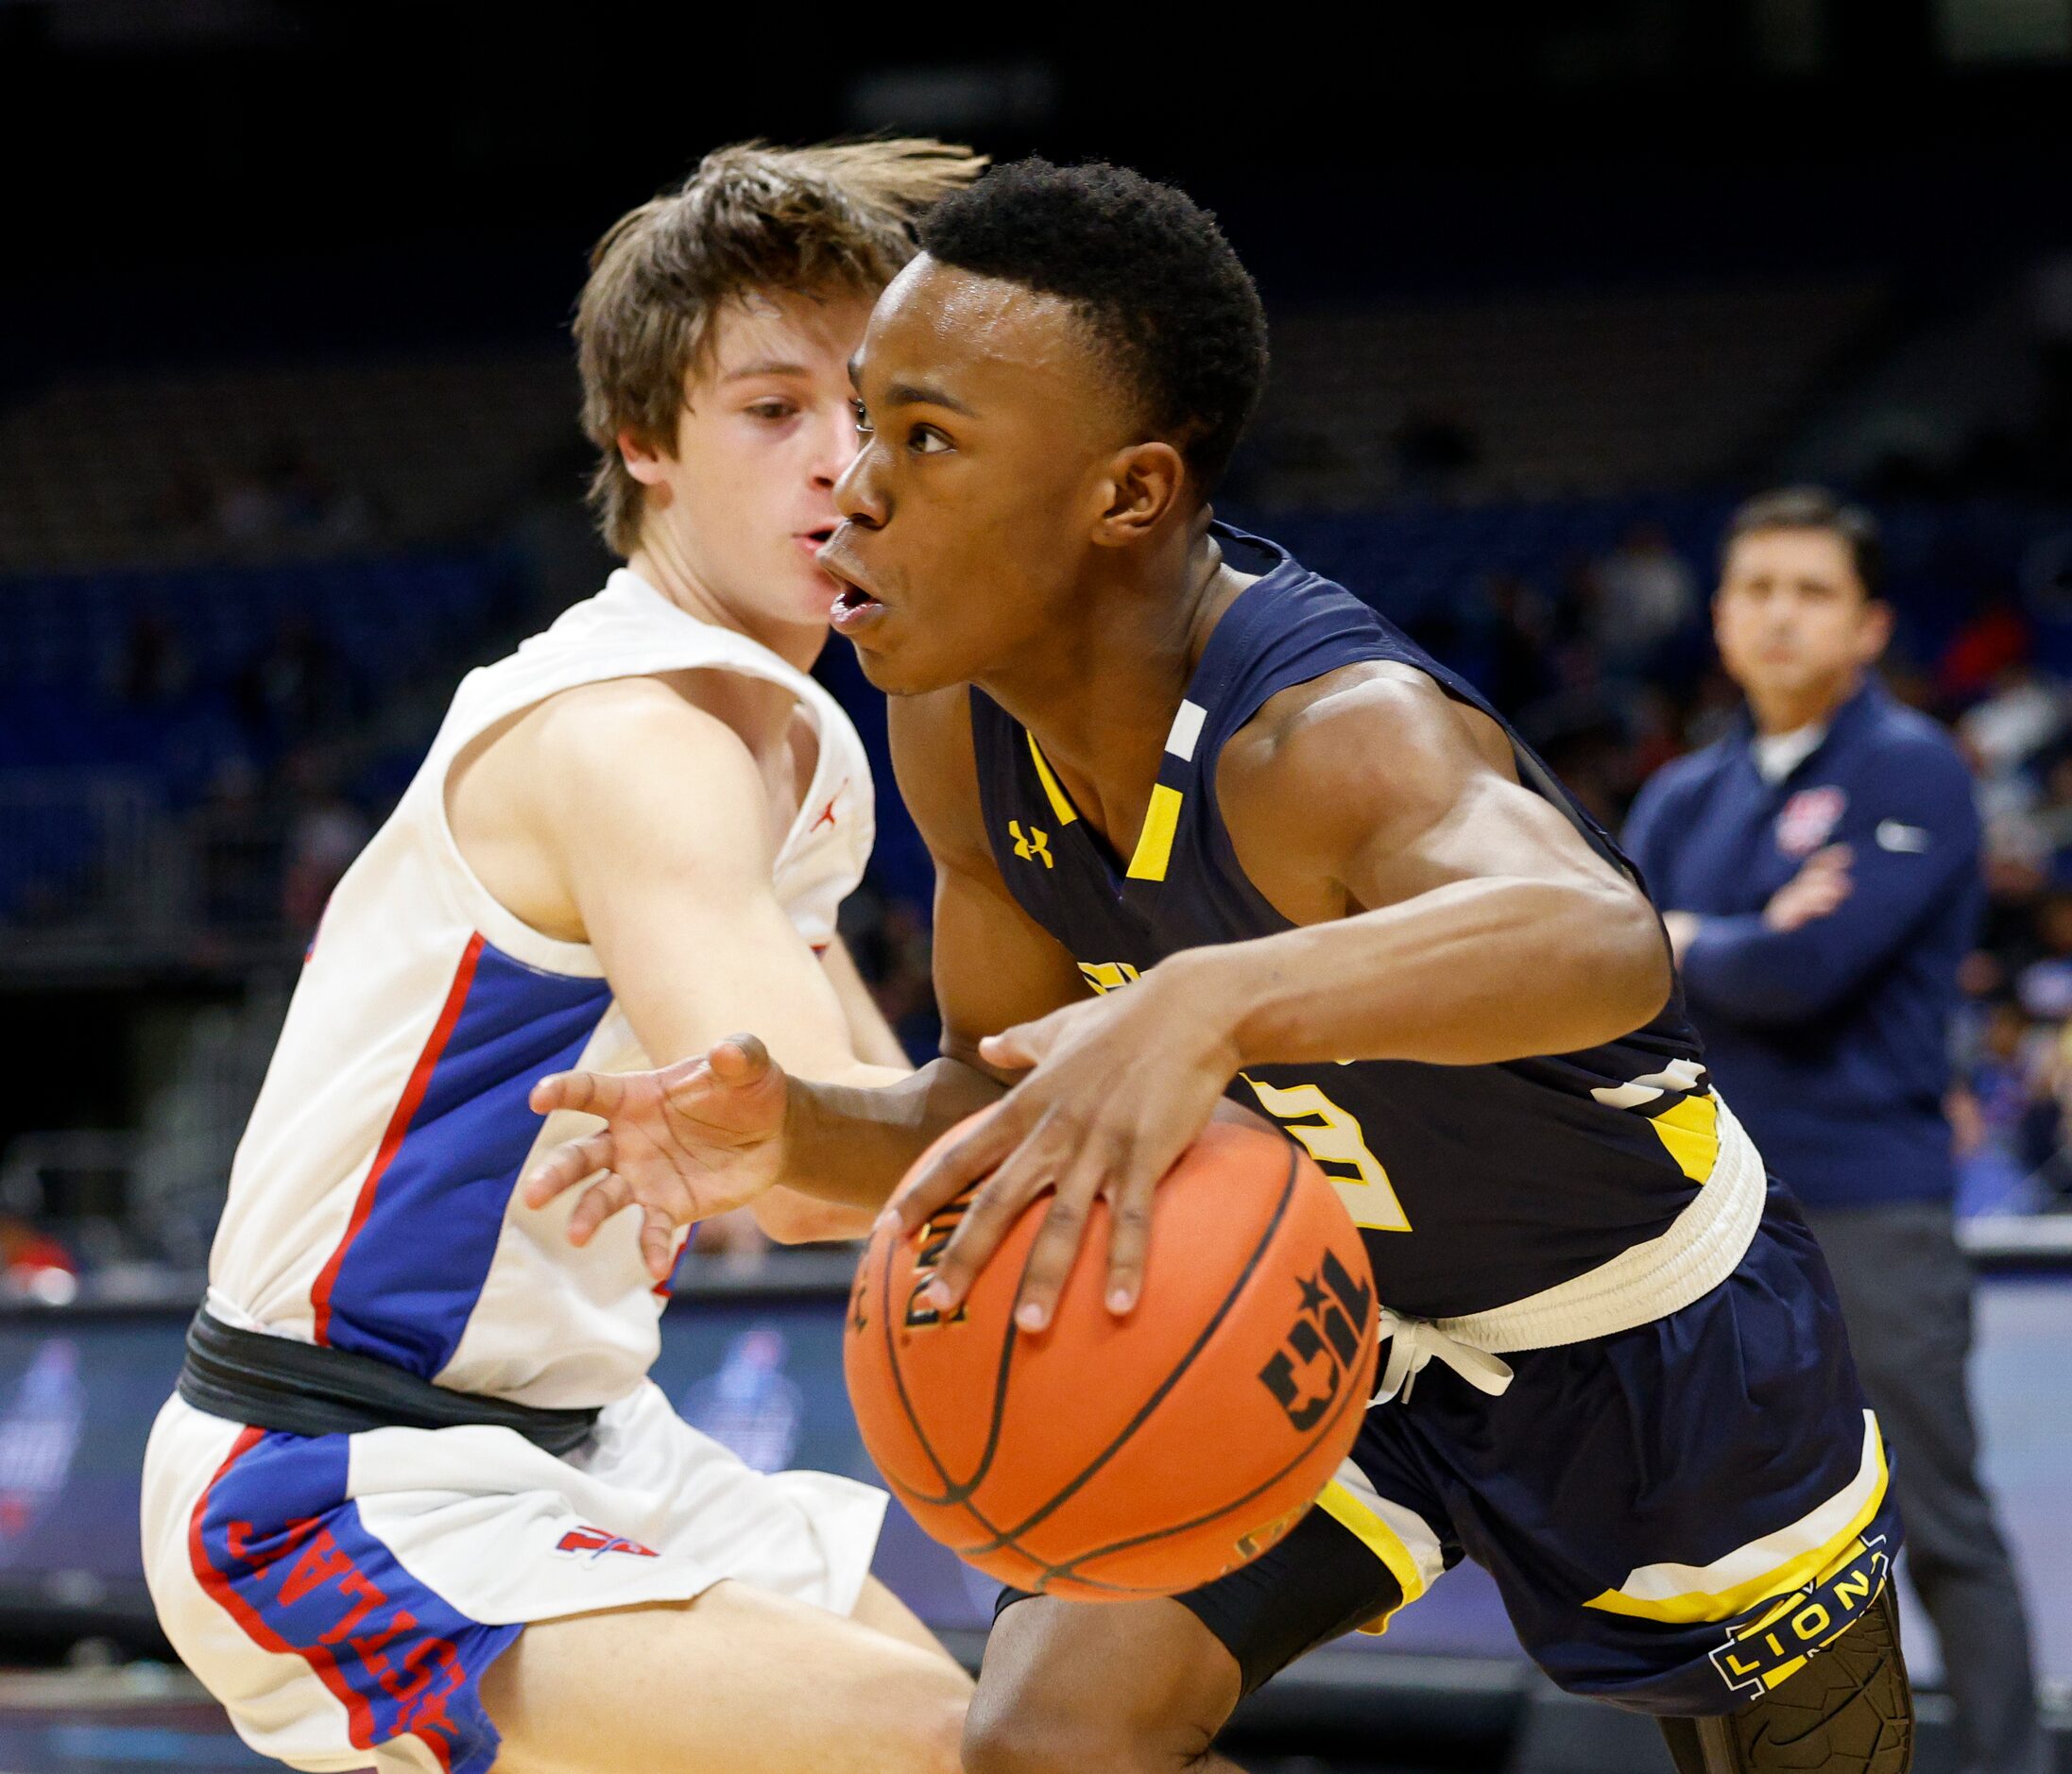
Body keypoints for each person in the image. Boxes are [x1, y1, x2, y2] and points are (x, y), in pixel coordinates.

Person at [527, 162, 1914, 1774]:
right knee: (1042, 1740)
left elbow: (1600, 942)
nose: (853, 491)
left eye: (927, 440)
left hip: (1653, 1341)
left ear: (1124, 496)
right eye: (858, 417)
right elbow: (1007, 1093)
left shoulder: (1331, 740)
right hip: (1316, 1313)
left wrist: (1220, 993)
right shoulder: (957, 724)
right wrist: (792, 1137)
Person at [137, 140, 985, 1774]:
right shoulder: (636, 735)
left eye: (873, 411)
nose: (841, 463)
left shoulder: (772, 735)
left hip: (593, 1440)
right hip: (340, 1469)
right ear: (645, 442)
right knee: (969, 1750)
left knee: (1069, 1736)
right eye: (772, 411)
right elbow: (817, 1170)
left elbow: (896, 1134)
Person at [1624, 487, 2046, 1774]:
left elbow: (1803, 977)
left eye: (1809, 591)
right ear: (1717, 616)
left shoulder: (1912, 764)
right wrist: (1732, 938)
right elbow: (1608, 981)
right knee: (1697, 1541)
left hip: (1867, 1201)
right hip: (1701, 1217)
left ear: (1867, 624)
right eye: (1755, 588)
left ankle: (2008, 1758)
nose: (1777, 616)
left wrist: (1687, 935)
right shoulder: (1682, 795)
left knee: (1936, 1518)